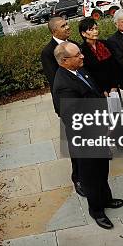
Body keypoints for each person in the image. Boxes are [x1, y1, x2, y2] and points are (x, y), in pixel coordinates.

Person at [52, 41, 123, 229]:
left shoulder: (80, 70)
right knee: (91, 175)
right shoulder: (63, 85)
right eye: (77, 55)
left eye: (80, 53)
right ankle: (97, 211)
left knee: (102, 169)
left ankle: (106, 199)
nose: (82, 56)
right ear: (65, 61)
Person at [40, 17, 84, 197]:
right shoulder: (48, 52)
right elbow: (55, 82)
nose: (68, 27)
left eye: (67, 24)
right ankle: (78, 177)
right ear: (53, 31)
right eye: (63, 26)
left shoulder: (73, 44)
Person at [78, 17, 123, 153]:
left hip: (113, 87)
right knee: (103, 119)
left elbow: (114, 66)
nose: (95, 31)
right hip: (98, 90)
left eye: (96, 28)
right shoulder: (82, 50)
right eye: (91, 29)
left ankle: (121, 142)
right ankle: (105, 147)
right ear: (84, 33)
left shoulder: (105, 44)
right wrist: (101, 90)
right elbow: (87, 73)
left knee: (117, 115)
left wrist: (114, 85)